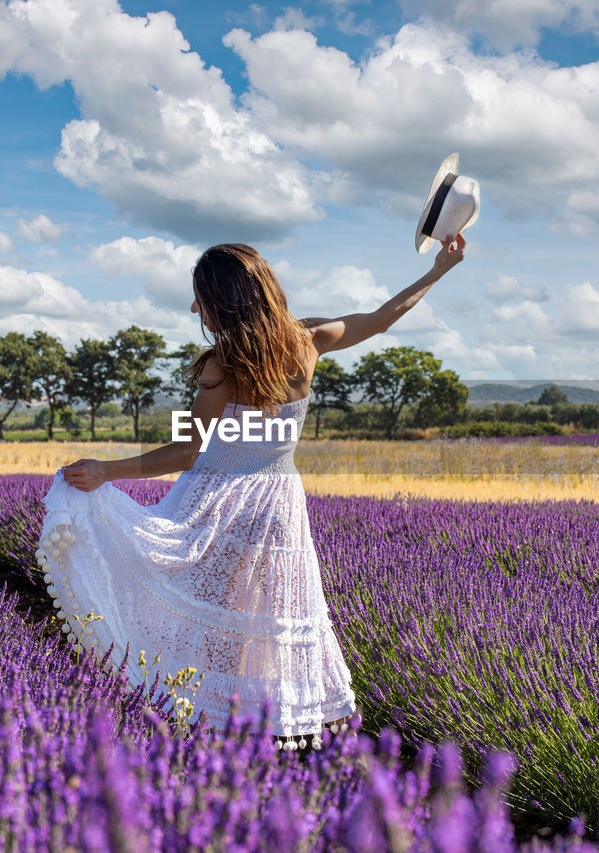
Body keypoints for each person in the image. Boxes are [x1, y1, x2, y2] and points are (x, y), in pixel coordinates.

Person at [38, 234, 466, 750]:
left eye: (201, 298)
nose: (195, 307)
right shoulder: (307, 341)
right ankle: (263, 735)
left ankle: (203, 732)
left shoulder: (223, 364)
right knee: (263, 623)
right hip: (278, 507)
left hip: (217, 503)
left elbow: (186, 452)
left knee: (209, 623)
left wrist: (108, 470)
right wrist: (438, 269)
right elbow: (380, 318)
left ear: (225, 300)